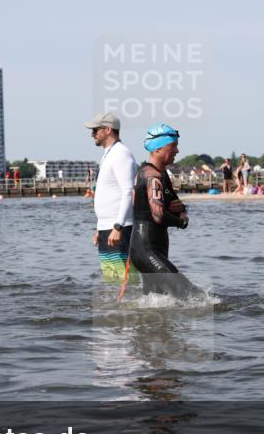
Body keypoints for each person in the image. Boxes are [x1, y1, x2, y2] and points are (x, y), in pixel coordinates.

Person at [129, 123, 201, 298]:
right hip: (146, 249)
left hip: (153, 248)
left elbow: (173, 204)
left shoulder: (160, 174)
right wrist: (182, 221)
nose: (177, 151)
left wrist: (182, 209)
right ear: (158, 148)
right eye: (173, 146)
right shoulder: (152, 177)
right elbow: (159, 215)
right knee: (189, 293)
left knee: (156, 300)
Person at [85, 112, 138, 283]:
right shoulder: (108, 154)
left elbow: (128, 191)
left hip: (120, 228)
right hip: (106, 228)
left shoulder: (121, 154)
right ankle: (113, 311)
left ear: (108, 130)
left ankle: (132, 310)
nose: (91, 134)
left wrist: (118, 226)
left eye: (95, 130)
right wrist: (100, 228)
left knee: (126, 281)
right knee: (110, 280)